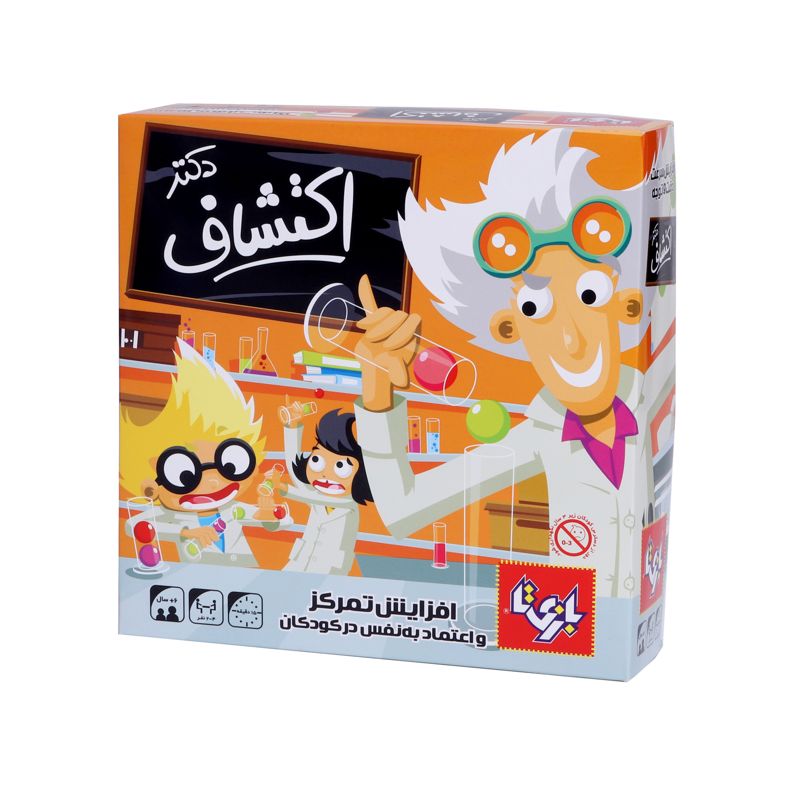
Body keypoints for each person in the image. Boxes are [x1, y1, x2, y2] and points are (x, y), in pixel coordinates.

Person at [351, 128, 675, 598]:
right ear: (509, 329)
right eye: (535, 310)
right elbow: (403, 510)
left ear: (627, 306)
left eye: (589, 296)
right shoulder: (540, 434)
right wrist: (377, 396)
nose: (570, 339)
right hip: (571, 625)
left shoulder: (655, 389)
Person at [120, 340, 292, 567]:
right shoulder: (171, 515)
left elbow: (283, 521)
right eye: (184, 475)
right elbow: (133, 526)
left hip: (246, 570)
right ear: (151, 486)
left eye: (230, 466)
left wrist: (271, 514)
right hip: (195, 578)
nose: (212, 481)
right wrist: (187, 533)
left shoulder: (234, 509)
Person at [270, 407, 373, 575]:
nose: (325, 473)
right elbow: (293, 468)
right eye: (317, 460)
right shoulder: (316, 495)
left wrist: (284, 488)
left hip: (330, 570)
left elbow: (318, 499)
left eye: (340, 466)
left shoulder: (349, 503)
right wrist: (292, 426)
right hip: (299, 564)